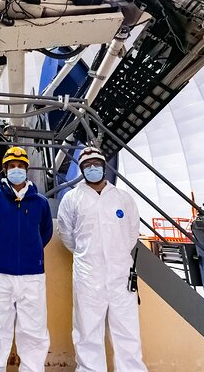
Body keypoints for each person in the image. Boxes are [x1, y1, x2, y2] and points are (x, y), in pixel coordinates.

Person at [57, 147, 147, 372]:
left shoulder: (122, 198)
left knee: (127, 331)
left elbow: (131, 233)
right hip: (88, 276)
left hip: (121, 277)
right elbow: (67, 234)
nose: (93, 168)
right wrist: (89, 256)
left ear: (104, 166)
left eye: (97, 164)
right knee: (88, 331)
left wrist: (115, 258)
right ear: (82, 169)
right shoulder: (72, 199)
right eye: (87, 166)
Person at [0, 146, 53, 372]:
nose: (16, 170)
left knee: (34, 332)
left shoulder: (40, 202)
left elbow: (45, 233)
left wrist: (31, 252)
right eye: (12, 166)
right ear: (5, 169)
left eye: (20, 166)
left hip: (32, 276)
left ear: (26, 170)